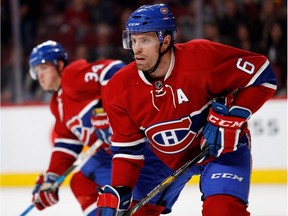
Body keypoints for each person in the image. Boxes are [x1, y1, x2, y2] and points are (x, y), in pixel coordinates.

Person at [96, 4, 277, 216]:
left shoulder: (201, 57)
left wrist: (235, 115)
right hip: (163, 157)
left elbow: (262, 74)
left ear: (165, 41)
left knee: (223, 211)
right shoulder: (119, 88)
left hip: (220, 148)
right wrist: (120, 190)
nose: (136, 48)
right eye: (133, 40)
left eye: (145, 40)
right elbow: (128, 150)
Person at [28, 40, 126, 216]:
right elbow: (67, 145)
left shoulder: (72, 76)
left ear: (59, 64)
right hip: (111, 154)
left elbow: (114, 69)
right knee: (81, 182)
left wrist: (108, 110)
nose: (40, 76)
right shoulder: (57, 105)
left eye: (43, 68)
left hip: (134, 147)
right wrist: (51, 178)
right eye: (36, 71)